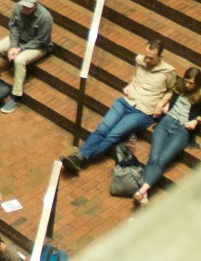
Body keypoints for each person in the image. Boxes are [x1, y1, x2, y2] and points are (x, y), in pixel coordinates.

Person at [61, 38, 177, 173]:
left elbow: (171, 90)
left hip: (143, 111)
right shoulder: (139, 60)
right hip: (126, 101)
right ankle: (79, 158)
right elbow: (137, 77)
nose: (147, 60)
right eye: (146, 55)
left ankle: (80, 158)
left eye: (151, 58)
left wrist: (161, 104)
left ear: (160, 57)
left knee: (113, 134)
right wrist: (131, 85)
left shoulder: (168, 72)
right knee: (103, 129)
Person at [131, 66, 201, 206]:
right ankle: (144, 193)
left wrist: (195, 121)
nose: (188, 85)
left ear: (197, 83)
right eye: (186, 81)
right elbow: (170, 94)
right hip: (167, 122)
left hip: (182, 129)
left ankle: (142, 191)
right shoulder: (179, 86)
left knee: (161, 160)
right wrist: (164, 104)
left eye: (191, 83)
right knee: (154, 157)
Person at [0, 0, 54, 113]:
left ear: (35, 5)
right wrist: (14, 46)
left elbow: (41, 40)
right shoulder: (17, 8)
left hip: (37, 46)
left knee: (19, 60)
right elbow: (13, 28)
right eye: (24, 6)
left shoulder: (45, 18)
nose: (25, 9)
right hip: (19, 40)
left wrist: (20, 49)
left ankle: (16, 97)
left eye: (28, 7)